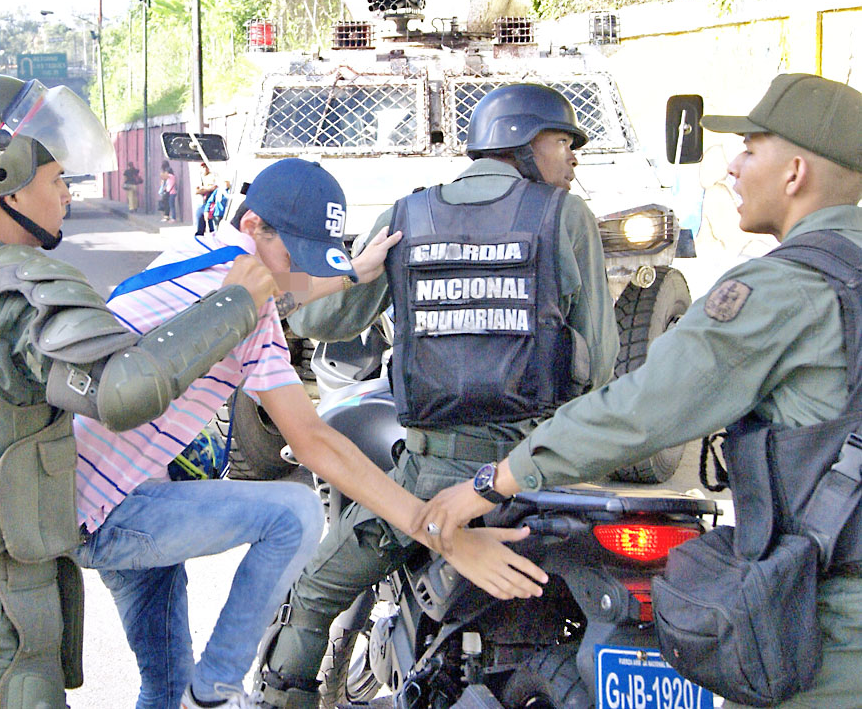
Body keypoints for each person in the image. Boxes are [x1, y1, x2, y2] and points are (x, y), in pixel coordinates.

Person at [0, 73, 280, 709]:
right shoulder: (25, 293)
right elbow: (123, 393)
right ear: (4, 173)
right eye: (56, 176)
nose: (66, 193)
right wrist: (237, 301)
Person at [415, 73, 862, 709]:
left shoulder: (782, 291)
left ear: (794, 172)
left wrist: (491, 483)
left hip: (834, 623)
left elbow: (640, 411)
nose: (732, 165)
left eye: (751, 148)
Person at [70, 157, 548, 709]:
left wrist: (351, 274)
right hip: (111, 513)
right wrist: (434, 529)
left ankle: (192, 690)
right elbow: (314, 443)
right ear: (253, 227)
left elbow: (277, 291)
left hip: (99, 490)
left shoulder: (199, 257)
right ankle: (219, 690)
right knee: (293, 516)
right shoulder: (242, 309)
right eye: (293, 255)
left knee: (163, 681)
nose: (296, 269)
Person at [256, 84, 619, 708]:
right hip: (545, 471)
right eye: (565, 143)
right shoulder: (564, 216)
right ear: (525, 143)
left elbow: (322, 324)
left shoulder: (406, 216)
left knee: (315, 591)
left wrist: (352, 268)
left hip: (432, 475)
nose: (574, 159)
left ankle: (276, 696)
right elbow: (603, 360)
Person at [195, 162, 217, 235]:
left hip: (210, 203)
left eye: (206, 167)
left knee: (212, 225)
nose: (205, 169)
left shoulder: (212, 176)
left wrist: (205, 189)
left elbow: (214, 187)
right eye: (203, 167)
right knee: (200, 223)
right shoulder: (199, 177)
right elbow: (197, 191)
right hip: (201, 203)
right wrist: (207, 189)